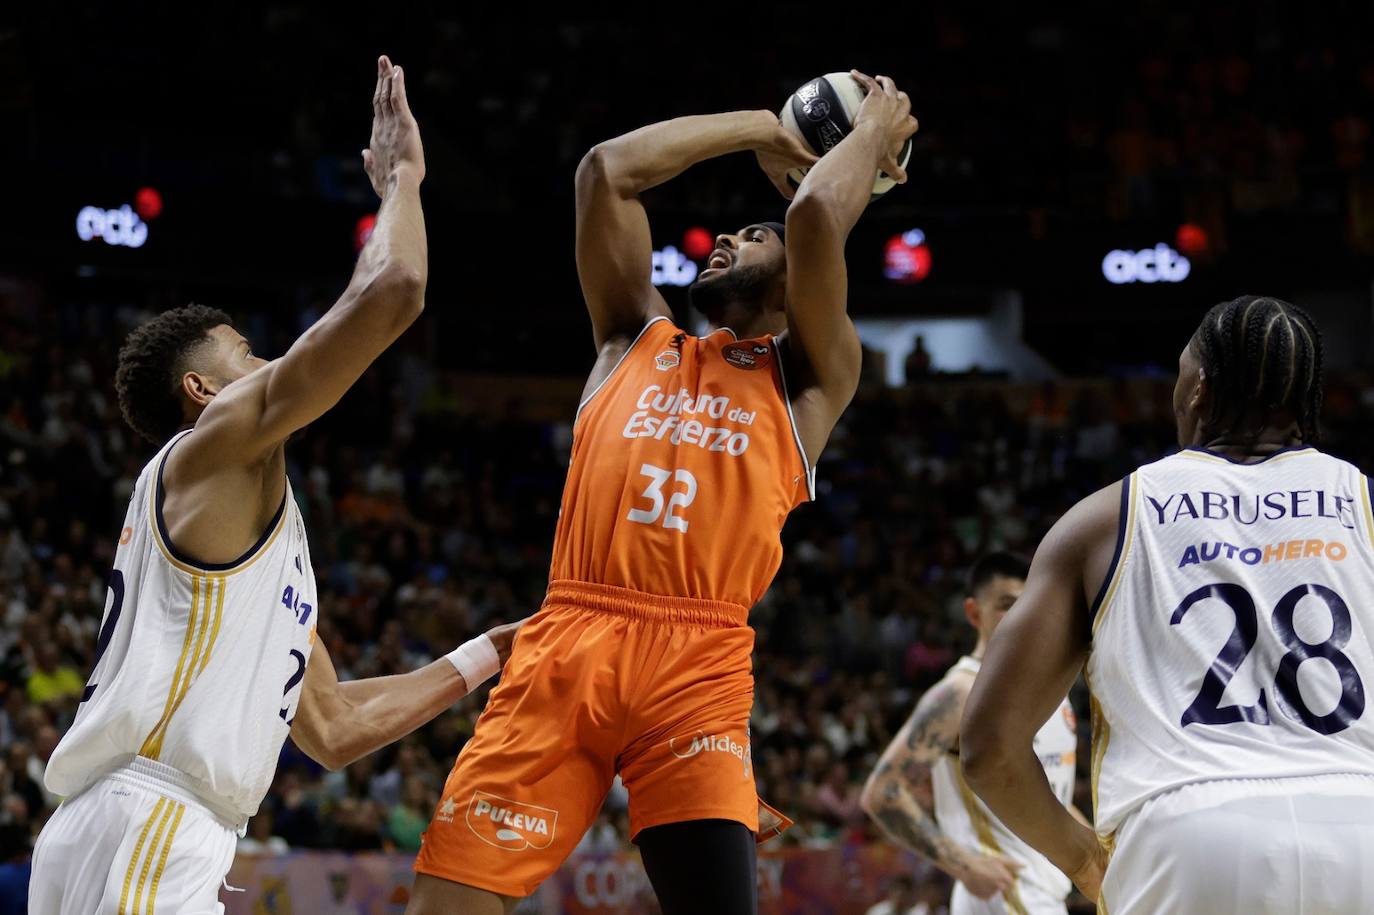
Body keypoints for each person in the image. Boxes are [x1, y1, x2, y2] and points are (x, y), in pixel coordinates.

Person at [406, 72, 919, 915]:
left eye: (754, 235)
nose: (726, 237)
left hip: (697, 661)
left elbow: (817, 218)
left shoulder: (810, 380)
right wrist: (761, 125)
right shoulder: (629, 340)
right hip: (568, 637)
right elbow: (606, 172)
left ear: (799, 288)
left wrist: (872, 133)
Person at [29, 56, 520, 915]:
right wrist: (403, 178)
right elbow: (395, 289)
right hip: (154, 821)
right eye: (249, 357)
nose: (269, 368)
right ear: (204, 392)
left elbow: (331, 727)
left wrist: (488, 654)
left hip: (118, 824)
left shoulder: (248, 564)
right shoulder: (212, 447)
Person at [962, 297, 1374, 914]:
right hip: (1360, 820)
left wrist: (1081, 857)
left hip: (1187, 831)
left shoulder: (1104, 519)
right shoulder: (1366, 506)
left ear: (1198, 390)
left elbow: (989, 745)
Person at [861, 552, 1082, 915]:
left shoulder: (1053, 691)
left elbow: (1054, 796)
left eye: (1028, 605)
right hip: (1002, 895)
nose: (1021, 616)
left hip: (1047, 893)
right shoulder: (961, 693)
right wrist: (964, 865)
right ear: (974, 613)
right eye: (1006, 605)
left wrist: (1104, 856)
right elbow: (882, 793)